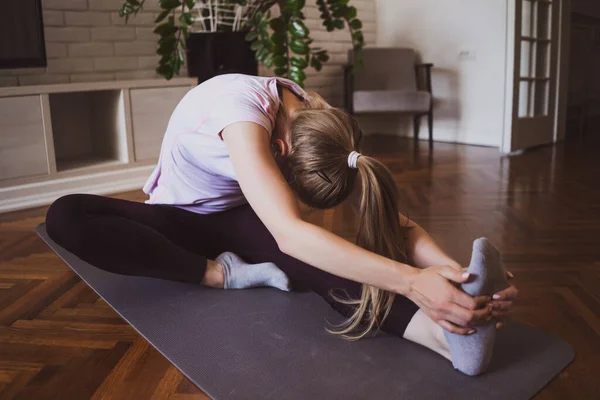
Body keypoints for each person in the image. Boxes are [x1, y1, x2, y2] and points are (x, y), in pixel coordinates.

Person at [45, 73, 518, 376]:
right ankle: (222, 273)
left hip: (242, 219)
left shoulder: (318, 122)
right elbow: (291, 233)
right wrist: (414, 281)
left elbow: (390, 220)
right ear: (281, 154)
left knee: (320, 262)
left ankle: (447, 339)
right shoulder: (242, 116)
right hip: (178, 218)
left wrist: (457, 279)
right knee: (65, 216)